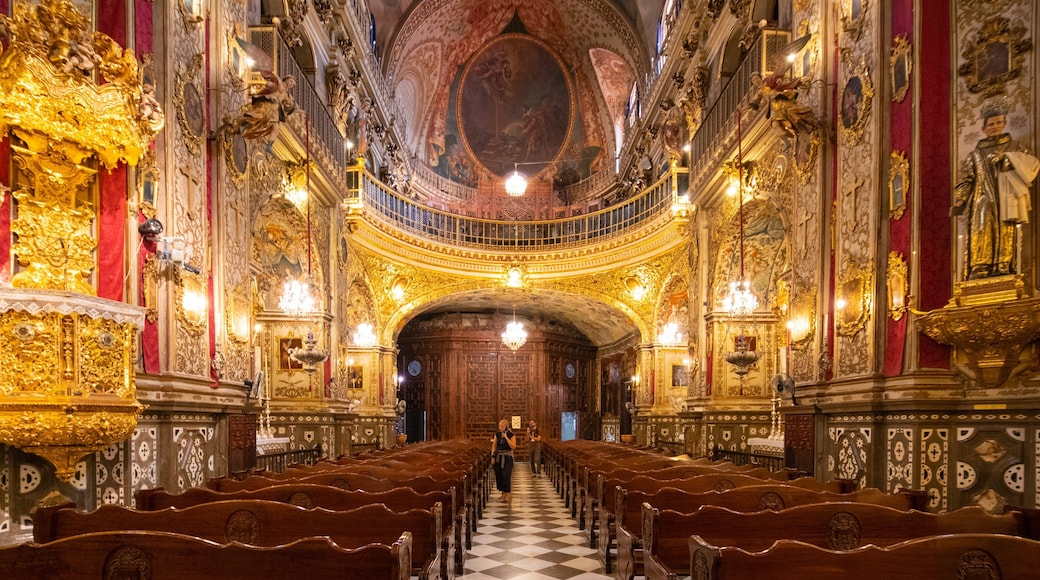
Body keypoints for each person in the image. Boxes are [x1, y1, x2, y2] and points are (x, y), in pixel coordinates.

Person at [952, 98, 1039, 280]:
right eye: (991, 124)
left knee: (1006, 227)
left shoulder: (1015, 147)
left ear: (1005, 123)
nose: (995, 127)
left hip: (1007, 197)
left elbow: (1029, 165)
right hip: (982, 198)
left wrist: (1006, 159)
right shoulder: (975, 155)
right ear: (983, 128)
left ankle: (1004, 264)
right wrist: (960, 198)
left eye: (999, 122)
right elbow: (966, 178)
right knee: (982, 227)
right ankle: (980, 265)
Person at [491, 419, 516, 503]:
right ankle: (502, 493)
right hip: (498, 456)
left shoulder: (511, 435)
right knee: (500, 475)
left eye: (502, 426)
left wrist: (506, 437)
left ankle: (507, 494)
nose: (500, 428)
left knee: (506, 475)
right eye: (499, 426)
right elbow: (494, 446)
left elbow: (513, 446)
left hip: (507, 457)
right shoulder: (497, 435)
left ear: (506, 426)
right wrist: (493, 456)